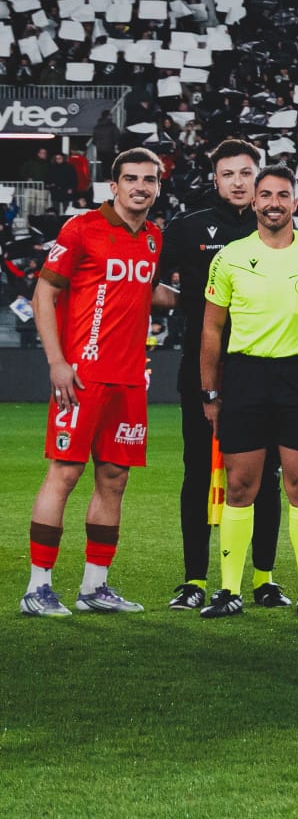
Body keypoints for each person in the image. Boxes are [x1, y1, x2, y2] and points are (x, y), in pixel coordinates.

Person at [20, 147, 164, 617]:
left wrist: (207, 298)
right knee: (65, 472)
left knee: (114, 478)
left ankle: (94, 587)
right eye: (131, 179)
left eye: (149, 180)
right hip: (81, 377)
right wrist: (57, 362)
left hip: (128, 380)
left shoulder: (153, 239)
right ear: (114, 186)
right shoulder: (82, 228)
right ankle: (38, 588)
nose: (140, 187)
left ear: (158, 188)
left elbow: (146, 291)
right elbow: (44, 293)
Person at [199, 168, 298, 619]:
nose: (274, 202)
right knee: (241, 485)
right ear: (254, 203)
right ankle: (229, 591)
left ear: (295, 203)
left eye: (283, 194)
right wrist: (210, 391)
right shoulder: (229, 257)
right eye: (266, 195)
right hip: (244, 377)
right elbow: (212, 327)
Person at [153, 138, 284, 611]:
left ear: (257, 177)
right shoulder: (188, 227)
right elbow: (151, 283)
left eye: (246, 173)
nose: (237, 182)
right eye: (228, 174)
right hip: (201, 367)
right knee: (197, 473)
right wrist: (189, 306)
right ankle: (194, 580)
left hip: (263, 366)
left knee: (264, 474)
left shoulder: (274, 224)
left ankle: (264, 579)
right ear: (215, 178)